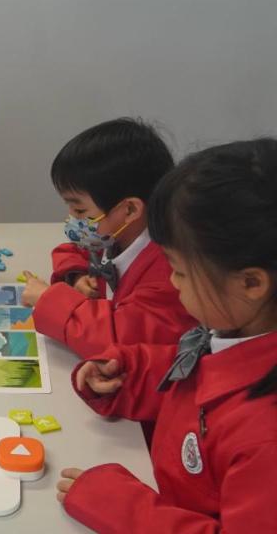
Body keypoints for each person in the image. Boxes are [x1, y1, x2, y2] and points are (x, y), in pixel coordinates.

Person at [57, 138, 277, 532]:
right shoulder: (234, 330)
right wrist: (130, 374)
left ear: (251, 283)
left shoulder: (265, 440)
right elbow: (197, 382)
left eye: (179, 270)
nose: (171, 282)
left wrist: (123, 506)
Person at [21, 118, 196, 358]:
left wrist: (48, 300)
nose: (72, 219)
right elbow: (71, 251)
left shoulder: (171, 271)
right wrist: (77, 276)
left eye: (80, 210)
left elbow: (119, 339)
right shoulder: (115, 235)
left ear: (130, 210)